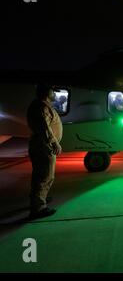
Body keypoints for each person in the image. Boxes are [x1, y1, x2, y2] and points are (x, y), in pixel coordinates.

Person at [27, 83, 63, 219]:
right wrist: (54, 143)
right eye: (53, 92)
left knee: (40, 175)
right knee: (45, 176)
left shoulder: (40, 105)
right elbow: (44, 128)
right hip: (44, 146)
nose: (55, 94)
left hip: (41, 145)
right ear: (47, 92)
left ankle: (40, 198)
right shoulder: (42, 107)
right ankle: (38, 208)